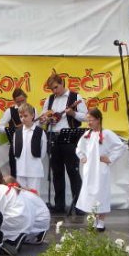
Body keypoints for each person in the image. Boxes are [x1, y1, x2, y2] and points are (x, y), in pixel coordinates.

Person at [39, 73, 87, 213]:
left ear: (62, 83)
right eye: (52, 89)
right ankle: (59, 205)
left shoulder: (75, 97)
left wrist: (73, 114)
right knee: (57, 172)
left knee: (73, 171)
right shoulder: (50, 99)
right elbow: (43, 117)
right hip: (53, 137)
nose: (54, 91)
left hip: (69, 137)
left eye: (55, 87)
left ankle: (79, 205)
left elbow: (85, 116)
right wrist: (45, 119)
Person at [75, 108, 126, 232]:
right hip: (89, 169)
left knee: (101, 194)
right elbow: (78, 148)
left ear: (98, 120)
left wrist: (110, 158)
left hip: (100, 169)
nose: (89, 123)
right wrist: (82, 157)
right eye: (88, 120)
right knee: (90, 194)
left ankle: (101, 221)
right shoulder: (87, 135)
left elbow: (120, 146)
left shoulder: (107, 134)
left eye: (91, 120)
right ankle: (92, 220)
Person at [0, 164, 31, 255]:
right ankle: (12, 238)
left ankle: (6, 241)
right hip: (22, 221)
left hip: (15, 223)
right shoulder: (6, 188)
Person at [13, 103, 47, 192]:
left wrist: (35, 159)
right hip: (21, 169)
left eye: (25, 116)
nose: (23, 118)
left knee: (34, 194)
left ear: (32, 115)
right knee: (21, 195)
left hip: (34, 169)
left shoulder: (40, 132)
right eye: (21, 116)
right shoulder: (17, 132)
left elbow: (43, 151)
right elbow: (15, 149)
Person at [0, 88, 28, 177]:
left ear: (26, 98)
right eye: (18, 102)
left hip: (29, 145)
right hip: (15, 145)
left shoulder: (32, 109)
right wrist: (11, 130)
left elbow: (37, 125)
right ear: (14, 101)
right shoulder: (10, 111)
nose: (21, 103)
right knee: (15, 171)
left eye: (23, 100)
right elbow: (0, 126)